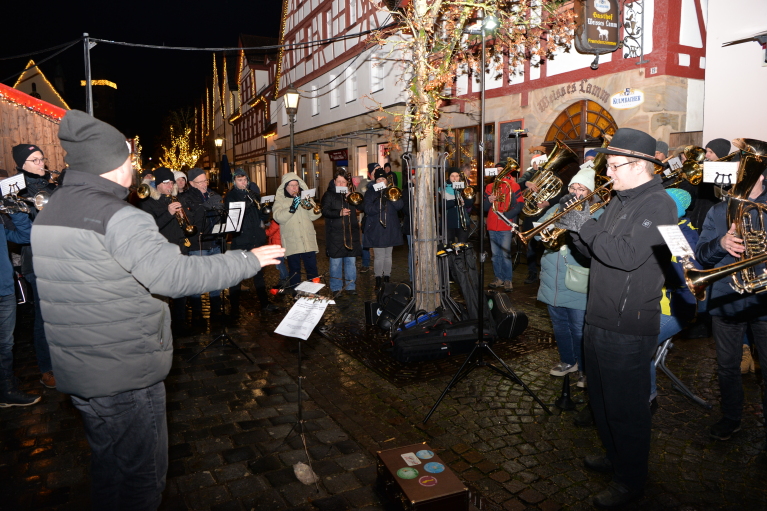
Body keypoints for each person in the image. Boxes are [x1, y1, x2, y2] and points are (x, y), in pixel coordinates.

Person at [30, 110, 284, 509]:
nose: (134, 165)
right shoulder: (119, 217)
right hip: (124, 369)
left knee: (108, 470)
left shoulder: (52, 212)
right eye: (129, 158)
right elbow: (174, 276)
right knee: (141, 482)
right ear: (114, 165)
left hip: (80, 367)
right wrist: (248, 261)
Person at [555, 127, 676, 507]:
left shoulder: (659, 204)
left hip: (628, 325)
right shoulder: (619, 200)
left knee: (627, 411)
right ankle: (614, 457)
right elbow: (596, 254)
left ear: (640, 166)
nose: (609, 173)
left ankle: (630, 482)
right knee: (602, 400)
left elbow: (626, 255)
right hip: (599, 317)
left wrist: (585, 225)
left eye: (615, 165)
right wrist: (573, 229)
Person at [695, 147, 767, 443]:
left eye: (746, 171)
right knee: (727, 366)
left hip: (764, 302)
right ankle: (731, 418)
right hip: (726, 298)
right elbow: (701, 255)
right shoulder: (717, 210)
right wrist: (720, 244)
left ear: (761, 174)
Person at [537, 166, 603, 387]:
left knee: (578, 328)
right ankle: (568, 361)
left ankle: (585, 369)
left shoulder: (597, 212)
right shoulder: (558, 206)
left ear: (591, 192)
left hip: (576, 277)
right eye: (572, 187)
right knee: (559, 326)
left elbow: (595, 246)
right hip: (551, 278)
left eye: (581, 188)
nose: (575, 192)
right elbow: (539, 234)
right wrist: (549, 228)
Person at [12, 143, 57, 389]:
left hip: (61, 257)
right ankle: (46, 368)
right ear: (21, 165)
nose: (42, 164)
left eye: (42, 159)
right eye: (35, 160)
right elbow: (22, 230)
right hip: (37, 261)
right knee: (44, 318)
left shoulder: (53, 184)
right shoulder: (15, 190)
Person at [139, 167, 194, 333]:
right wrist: (169, 213)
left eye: (172, 182)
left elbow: (183, 224)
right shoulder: (148, 202)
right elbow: (150, 228)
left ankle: (180, 323)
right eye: (166, 183)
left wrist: (185, 219)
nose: (170, 186)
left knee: (180, 289)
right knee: (162, 293)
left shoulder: (174, 199)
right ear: (158, 184)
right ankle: (162, 325)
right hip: (161, 252)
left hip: (179, 249)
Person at [226, 168, 279, 314]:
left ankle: (264, 303)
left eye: (245, 180)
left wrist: (264, 212)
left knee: (259, 274)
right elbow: (234, 218)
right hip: (242, 240)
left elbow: (262, 218)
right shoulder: (231, 196)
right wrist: (247, 204)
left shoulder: (254, 195)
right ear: (234, 182)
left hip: (257, 238)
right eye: (240, 180)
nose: (243, 183)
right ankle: (235, 307)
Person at [0, 207, 36, 406]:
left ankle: (6, 387)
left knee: (6, 345)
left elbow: (26, 235)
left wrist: (12, 209)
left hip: (5, 289)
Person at [185, 167, 227, 322]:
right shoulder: (187, 197)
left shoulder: (212, 194)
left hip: (214, 242)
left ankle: (216, 309)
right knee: (197, 279)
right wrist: (207, 205)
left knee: (215, 277)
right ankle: (197, 312)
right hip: (198, 244)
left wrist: (222, 212)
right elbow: (192, 220)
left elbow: (221, 219)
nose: (204, 184)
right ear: (191, 183)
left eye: (206, 180)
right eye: (200, 181)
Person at [273, 172, 321, 290]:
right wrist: (291, 209)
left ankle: (313, 294)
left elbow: (316, 215)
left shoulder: (305, 198)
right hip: (292, 241)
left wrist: (308, 204)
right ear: (285, 187)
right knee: (295, 271)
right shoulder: (280, 201)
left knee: (312, 270)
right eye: (291, 185)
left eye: (296, 185)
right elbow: (278, 217)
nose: (295, 188)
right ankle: (296, 296)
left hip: (307, 240)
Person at [321, 169, 362, 295]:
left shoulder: (350, 194)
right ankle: (336, 287)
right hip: (335, 234)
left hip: (351, 233)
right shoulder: (328, 195)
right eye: (338, 181)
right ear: (334, 182)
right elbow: (325, 211)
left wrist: (351, 197)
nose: (340, 184)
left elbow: (361, 206)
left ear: (347, 184)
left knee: (351, 262)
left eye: (343, 182)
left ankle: (350, 286)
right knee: (336, 263)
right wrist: (338, 213)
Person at [484, 162, 524, 292]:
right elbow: (484, 208)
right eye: (498, 170)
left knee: (505, 254)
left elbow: (519, 205)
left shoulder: (514, 185)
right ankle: (498, 278)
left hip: (505, 224)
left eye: (502, 170)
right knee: (495, 255)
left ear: (507, 172)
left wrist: (506, 215)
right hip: (492, 224)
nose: (499, 172)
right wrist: (488, 200)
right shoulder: (490, 186)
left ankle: (508, 279)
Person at [363, 166, 404, 290]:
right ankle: (378, 279)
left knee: (388, 255)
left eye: (383, 179)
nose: (381, 181)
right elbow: (368, 209)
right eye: (379, 179)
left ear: (387, 181)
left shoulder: (392, 190)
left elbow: (400, 206)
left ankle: (387, 277)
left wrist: (389, 197)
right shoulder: (370, 192)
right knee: (379, 255)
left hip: (390, 227)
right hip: (377, 227)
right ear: (375, 181)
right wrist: (380, 202)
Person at [445, 167, 474, 244]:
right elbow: (441, 205)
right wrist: (455, 202)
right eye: (452, 176)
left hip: (463, 222)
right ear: (448, 177)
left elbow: (469, 203)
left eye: (457, 176)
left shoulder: (463, 187)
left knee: (462, 246)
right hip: (448, 223)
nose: (455, 178)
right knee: (449, 247)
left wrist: (465, 199)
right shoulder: (442, 188)